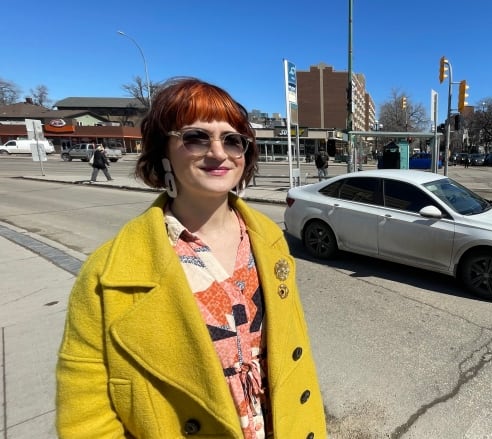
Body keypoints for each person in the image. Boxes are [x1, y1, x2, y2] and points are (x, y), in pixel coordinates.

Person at [56, 77, 327, 439]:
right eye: (195, 137)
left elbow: (292, 359)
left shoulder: (269, 240)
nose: (218, 153)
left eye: (233, 140)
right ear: (163, 150)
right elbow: (85, 418)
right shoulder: (106, 274)